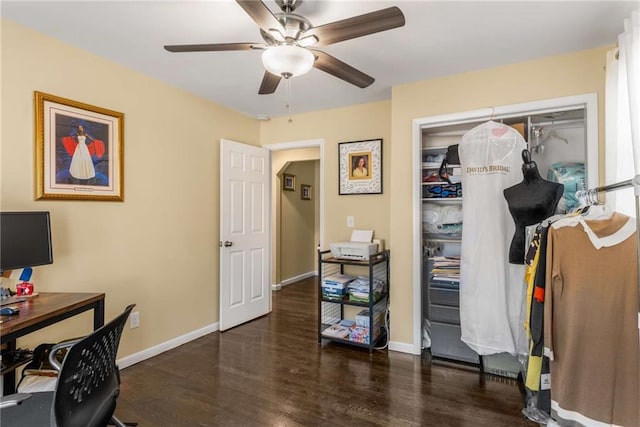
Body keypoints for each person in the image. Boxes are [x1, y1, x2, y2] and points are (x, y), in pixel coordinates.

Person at [503, 149, 564, 264]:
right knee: (518, 281)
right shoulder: (509, 192)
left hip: (543, 246)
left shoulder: (554, 189)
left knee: (540, 281)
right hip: (519, 248)